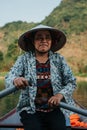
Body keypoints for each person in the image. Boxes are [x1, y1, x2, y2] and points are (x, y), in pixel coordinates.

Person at [5, 24, 77, 130]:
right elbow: (9, 77)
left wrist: (59, 95)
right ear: (33, 41)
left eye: (47, 37)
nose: (44, 40)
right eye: (39, 38)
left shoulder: (59, 59)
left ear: (51, 41)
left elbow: (71, 82)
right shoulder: (24, 59)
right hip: (31, 109)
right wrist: (16, 79)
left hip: (55, 109)